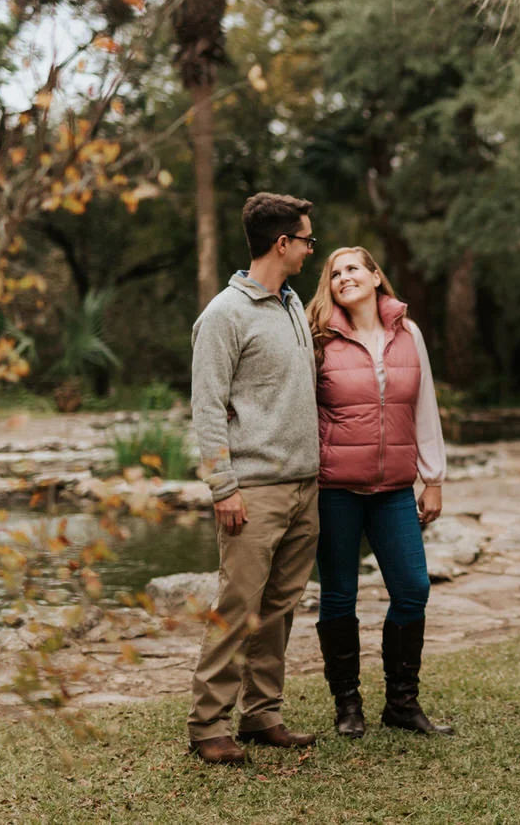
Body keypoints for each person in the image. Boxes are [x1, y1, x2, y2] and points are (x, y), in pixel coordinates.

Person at [186, 193, 321, 765]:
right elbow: (208, 406)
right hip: (254, 489)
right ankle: (207, 725)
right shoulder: (224, 314)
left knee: (279, 609)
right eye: (307, 239)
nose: (312, 248)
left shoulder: (291, 304)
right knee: (238, 605)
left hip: (303, 484)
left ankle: (262, 714)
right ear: (281, 243)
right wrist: (224, 486)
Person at [306, 246, 453, 738]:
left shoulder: (408, 333)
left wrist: (433, 478)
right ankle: (347, 705)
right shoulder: (319, 339)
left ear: (374, 276)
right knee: (339, 595)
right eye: (334, 273)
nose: (343, 277)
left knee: (413, 588)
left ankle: (401, 703)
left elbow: (424, 406)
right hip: (335, 490)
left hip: (393, 489)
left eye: (353, 268)